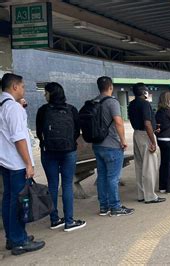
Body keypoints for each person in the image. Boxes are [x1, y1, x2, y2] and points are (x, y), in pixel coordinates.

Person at [0, 73, 45, 255]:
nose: (24, 89)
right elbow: (19, 138)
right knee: (19, 202)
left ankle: (12, 238)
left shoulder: (3, 106)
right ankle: (19, 241)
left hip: (4, 161)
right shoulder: (14, 109)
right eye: (23, 86)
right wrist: (28, 163)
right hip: (17, 163)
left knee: (9, 200)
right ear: (15, 87)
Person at [36, 82, 86, 231]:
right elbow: (77, 130)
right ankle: (69, 221)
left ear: (51, 94)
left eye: (46, 93)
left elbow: (39, 132)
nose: (45, 95)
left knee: (52, 185)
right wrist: (69, 142)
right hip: (68, 151)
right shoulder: (71, 110)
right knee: (67, 185)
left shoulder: (43, 110)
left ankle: (54, 219)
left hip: (48, 152)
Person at [92, 76, 133, 216]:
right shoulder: (112, 102)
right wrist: (123, 140)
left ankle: (104, 207)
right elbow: (118, 122)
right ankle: (115, 207)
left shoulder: (94, 101)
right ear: (111, 87)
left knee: (102, 176)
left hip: (97, 145)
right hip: (112, 145)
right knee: (113, 177)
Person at [128, 83, 165, 204]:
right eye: (147, 91)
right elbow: (147, 123)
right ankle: (150, 196)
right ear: (144, 92)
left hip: (137, 134)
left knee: (139, 166)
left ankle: (142, 194)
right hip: (146, 135)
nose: (148, 93)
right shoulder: (145, 104)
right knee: (149, 167)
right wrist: (153, 141)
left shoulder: (132, 104)